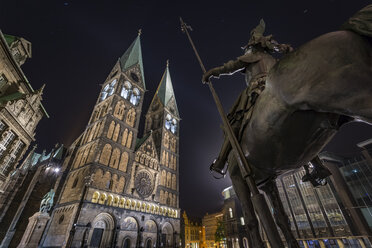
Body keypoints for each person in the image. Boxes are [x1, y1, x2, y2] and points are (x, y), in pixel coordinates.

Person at [202, 19, 292, 175]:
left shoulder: (251, 56)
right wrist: (284, 49)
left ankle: (221, 161)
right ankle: (317, 165)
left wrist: (212, 72)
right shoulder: (273, 59)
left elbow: (229, 68)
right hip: (279, 87)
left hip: (259, 89)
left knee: (234, 122)